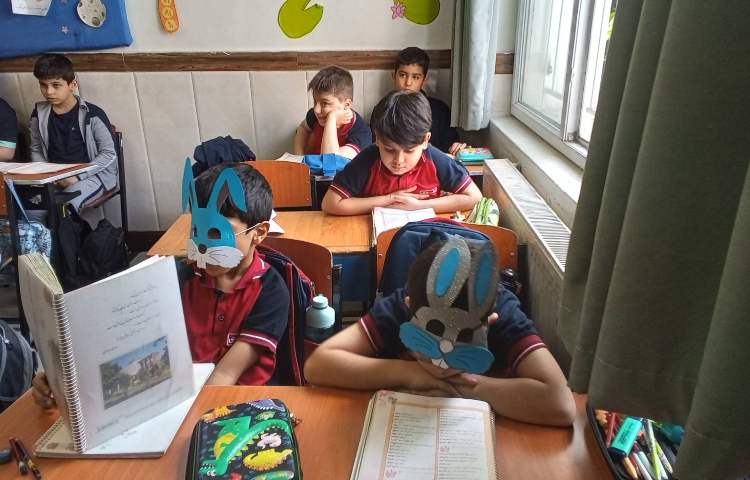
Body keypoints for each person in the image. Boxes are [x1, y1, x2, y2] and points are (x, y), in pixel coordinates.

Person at [32, 163, 291, 408]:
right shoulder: (178, 277)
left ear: (259, 233)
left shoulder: (271, 291)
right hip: (178, 398)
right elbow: (123, 337)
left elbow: (226, 374)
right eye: (197, 230)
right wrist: (63, 376)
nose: (204, 245)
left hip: (242, 406)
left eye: (217, 233)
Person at [305, 237, 577, 427]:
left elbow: (561, 404)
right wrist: (412, 373)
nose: (442, 359)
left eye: (464, 339)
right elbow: (318, 365)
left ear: (489, 321)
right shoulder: (398, 307)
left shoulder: (503, 312)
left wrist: (472, 387)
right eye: (431, 336)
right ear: (409, 307)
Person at [321, 90, 481, 215]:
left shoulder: (435, 159)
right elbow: (329, 203)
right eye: (389, 149)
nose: (399, 160)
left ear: (425, 141)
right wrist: (389, 199)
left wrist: (419, 206)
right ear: (377, 139)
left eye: (409, 151)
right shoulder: (368, 159)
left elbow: (474, 197)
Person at [29, 53, 117, 213]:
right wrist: (46, 176)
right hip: (53, 178)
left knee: (63, 208)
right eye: (43, 85)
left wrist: (77, 177)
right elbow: (36, 149)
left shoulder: (93, 114)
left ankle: (79, 229)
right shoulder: (38, 114)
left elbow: (108, 154)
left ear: (72, 84)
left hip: (92, 177)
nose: (49, 92)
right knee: (29, 207)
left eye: (56, 85)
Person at [392, 47, 466, 155]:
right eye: (402, 75)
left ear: (424, 80)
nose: (408, 82)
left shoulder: (440, 111)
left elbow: (451, 147)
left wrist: (457, 148)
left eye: (415, 77)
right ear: (394, 76)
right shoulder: (384, 110)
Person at [293, 65, 372, 159]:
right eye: (315, 101)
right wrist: (298, 157)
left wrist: (332, 118)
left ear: (347, 105)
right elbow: (303, 127)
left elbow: (330, 161)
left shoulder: (361, 132)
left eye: (325, 103)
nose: (316, 110)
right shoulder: (316, 115)